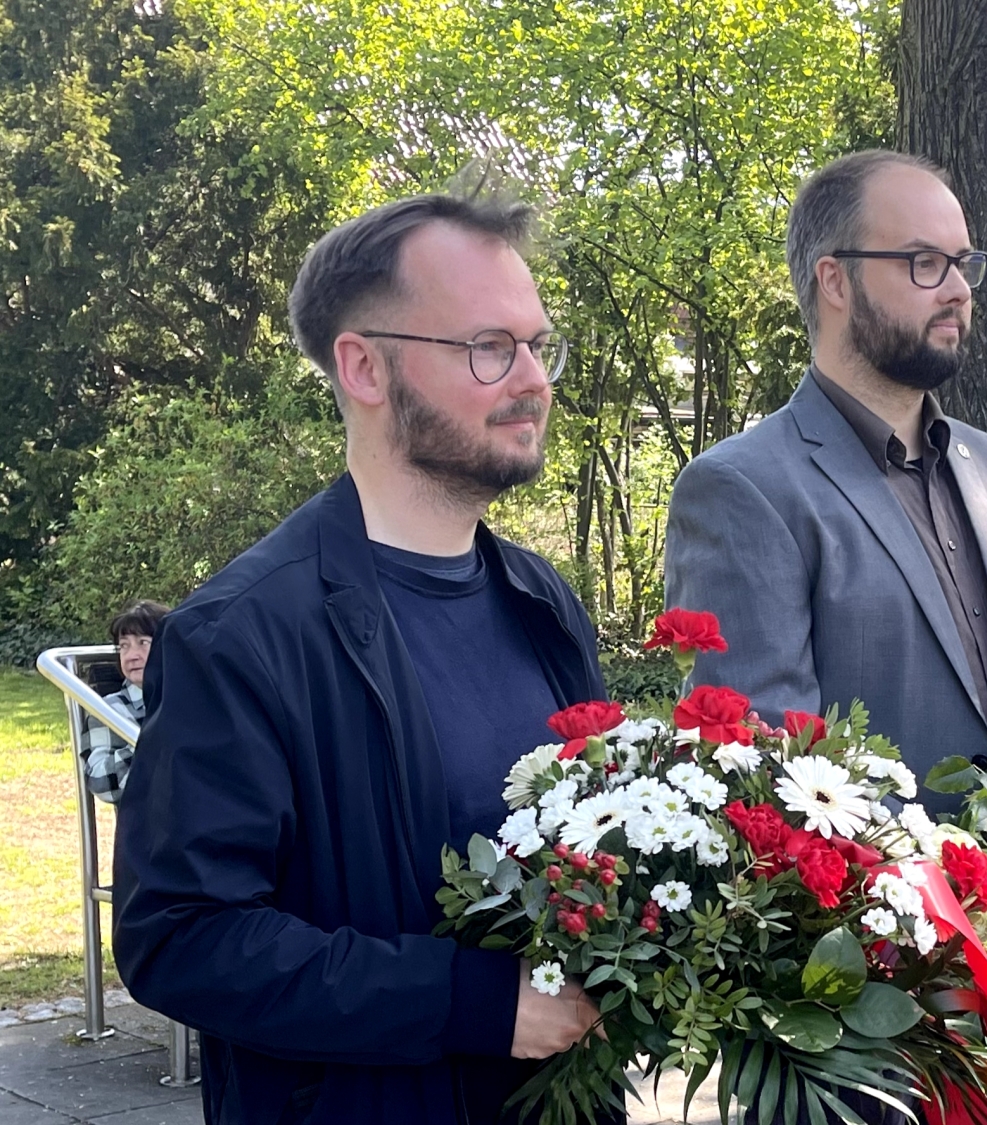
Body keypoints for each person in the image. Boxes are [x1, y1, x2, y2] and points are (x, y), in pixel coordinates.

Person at [112, 191, 607, 1125]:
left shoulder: (544, 603)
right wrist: (474, 1003)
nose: (534, 377)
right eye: (488, 347)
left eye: (540, 344)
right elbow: (180, 937)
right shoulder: (242, 634)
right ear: (364, 366)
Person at [664, 149, 987, 811]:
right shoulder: (743, 490)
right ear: (835, 280)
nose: (958, 289)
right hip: (876, 905)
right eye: (923, 262)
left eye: (963, 263)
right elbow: (767, 769)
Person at [80, 599, 169, 803]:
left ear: (168, 647)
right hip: (150, 828)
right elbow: (99, 781)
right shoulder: (109, 710)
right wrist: (153, 742)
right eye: (124, 646)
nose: (131, 656)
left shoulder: (196, 697)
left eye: (143, 643)